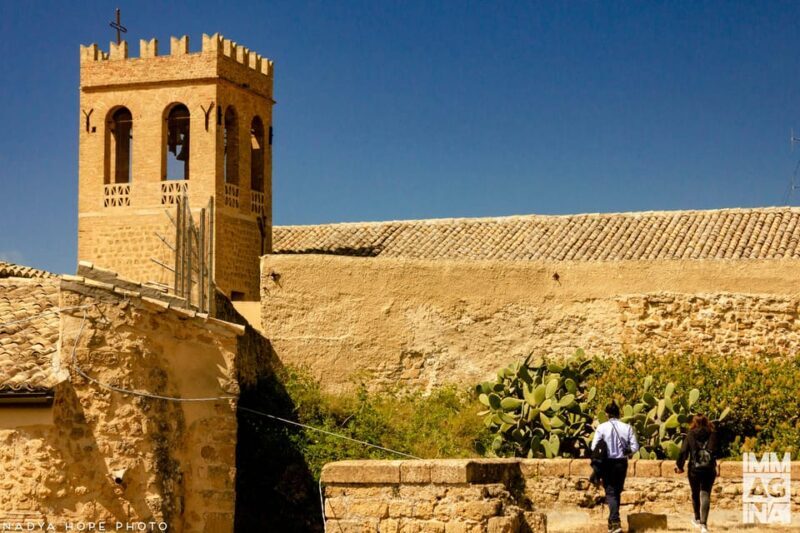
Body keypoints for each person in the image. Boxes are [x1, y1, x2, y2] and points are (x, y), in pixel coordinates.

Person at [591, 401, 640, 533]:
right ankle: (612, 523)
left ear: (607, 414)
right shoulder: (627, 427)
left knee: (611, 492)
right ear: (619, 414)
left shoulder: (601, 428)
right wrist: (627, 452)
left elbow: (593, 447)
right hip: (621, 463)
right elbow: (635, 447)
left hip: (607, 463)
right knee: (617, 491)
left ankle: (615, 522)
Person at [675, 414, 718, 533]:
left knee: (695, 492)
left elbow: (683, 451)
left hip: (694, 469)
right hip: (709, 469)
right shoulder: (712, 433)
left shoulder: (691, 434)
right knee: (705, 494)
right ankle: (704, 525)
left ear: (694, 422)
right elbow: (714, 451)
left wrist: (679, 466)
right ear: (706, 421)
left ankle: (697, 519)